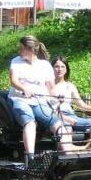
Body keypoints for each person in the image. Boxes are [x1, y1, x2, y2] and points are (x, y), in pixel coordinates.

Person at [8, 35, 60, 163]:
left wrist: (57, 99)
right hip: (20, 100)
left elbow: (51, 88)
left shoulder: (45, 65)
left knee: (58, 124)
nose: (19, 51)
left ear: (30, 49)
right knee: (30, 122)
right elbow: (13, 81)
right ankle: (30, 157)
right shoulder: (16, 61)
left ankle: (64, 154)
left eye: (21, 48)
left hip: (40, 102)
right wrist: (24, 88)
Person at [51, 56, 91, 152]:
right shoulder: (48, 86)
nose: (59, 69)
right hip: (55, 116)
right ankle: (69, 151)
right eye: (56, 67)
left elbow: (81, 105)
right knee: (67, 127)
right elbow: (46, 108)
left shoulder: (70, 86)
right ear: (52, 68)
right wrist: (65, 118)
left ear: (66, 69)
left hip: (71, 116)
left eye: (62, 67)